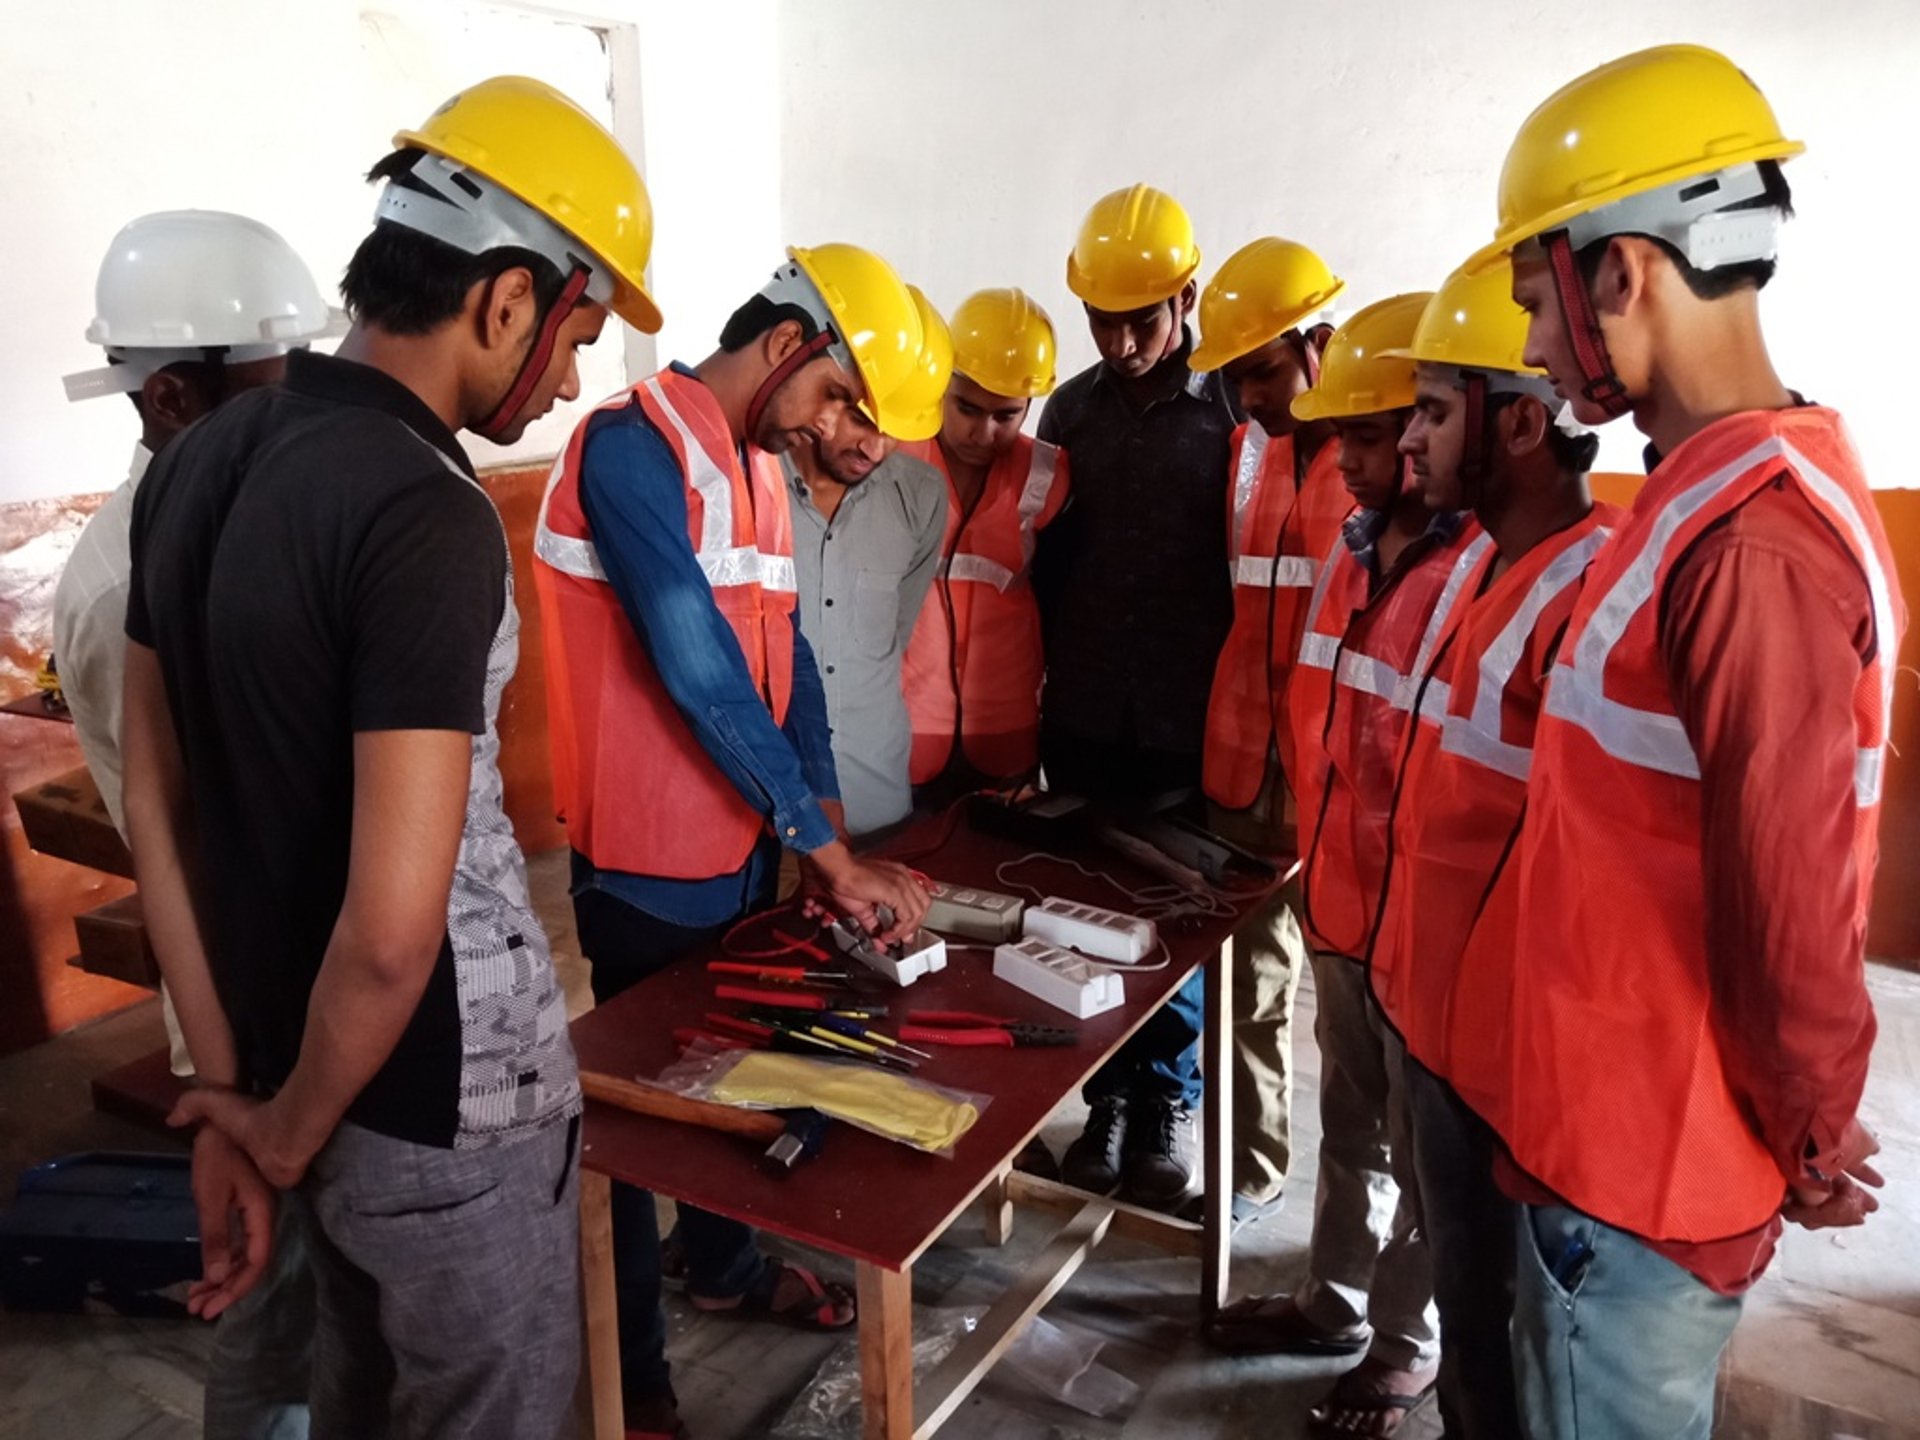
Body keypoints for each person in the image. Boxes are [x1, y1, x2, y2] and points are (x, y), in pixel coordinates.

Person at [121, 75, 652, 1438]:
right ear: (507, 301)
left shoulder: (196, 463)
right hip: (447, 1111)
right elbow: (393, 934)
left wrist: (245, 1102)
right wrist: (280, 1133)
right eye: (578, 333)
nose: (572, 377)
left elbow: (160, 812)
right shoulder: (427, 508)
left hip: (302, 1078)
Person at [1468, 45, 1904, 1439]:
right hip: (1598, 1129)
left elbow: (1785, 902)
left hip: (1647, 1169)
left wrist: (1817, 1131)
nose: (1535, 347)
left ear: (1622, 273)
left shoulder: (1752, 545)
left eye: (1540, 299)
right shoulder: (1694, 494)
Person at [533, 242, 938, 1439]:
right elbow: (696, 663)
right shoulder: (628, 447)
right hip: (647, 867)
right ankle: (636, 1375)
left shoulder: (754, 466)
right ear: (783, 346)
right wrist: (820, 842)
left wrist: (828, 830)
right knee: (641, 1118)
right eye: (829, 397)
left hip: (743, 849)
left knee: (735, 1070)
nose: (828, 429)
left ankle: (723, 1265)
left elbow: (790, 667)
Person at [56, 208, 336, 1440]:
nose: (298, 422)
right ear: (173, 394)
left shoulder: (240, 523)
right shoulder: (129, 585)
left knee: (333, 1293)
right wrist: (236, 1079)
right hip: (243, 1002)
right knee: (272, 1309)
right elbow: (180, 840)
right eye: (269, 395)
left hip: (314, 986)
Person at [1208, 293, 1483, 1438]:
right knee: (1354, 1126)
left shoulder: (1478, 574)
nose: (1365, 460)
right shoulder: (1357, 554)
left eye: (1381, 435)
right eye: (1354, 438)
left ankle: (1408, 1351)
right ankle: (1334, 1300)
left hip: (1426, 931)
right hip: (1344, 901)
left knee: (1428, 1161)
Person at [1366, 259, 1616, 1440]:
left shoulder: (1586, 598)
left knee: (1508, 1344)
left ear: (1518, 423)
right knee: (1472, 1327)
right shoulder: (1479, 565)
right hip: (1436, 1022)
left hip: (1507, 1063)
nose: (1409, 439)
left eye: (1431, 410)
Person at [1037, 184, 1238, 1208]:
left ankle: (1165, 1103)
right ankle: (1103, 1104)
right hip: (1081, 714)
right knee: (1083, 919)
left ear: (1188, 298)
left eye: (1141, 319)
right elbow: (1043, 564)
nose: (1119, 341)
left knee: (1172, 918)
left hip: (1186, 718)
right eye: (1100, 320)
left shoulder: (1236, 409)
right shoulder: (1067, 413)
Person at [1187, 235, 1346, 1227]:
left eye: (1265, 370)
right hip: (1244, 766)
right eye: (1238, 377)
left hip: (1339, 779)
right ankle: (1249, 1172)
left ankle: (1352, 1237)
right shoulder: (1247, 451)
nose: (1251, 395)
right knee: (1248, 986)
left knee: (1355, 1016)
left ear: (1320, 344)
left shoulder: (1380, 462)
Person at [787, 287, 950, 837]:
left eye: (894, 430)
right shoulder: (750, 488)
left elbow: (893, 637)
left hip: (877, 800)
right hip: (772, 807)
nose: (874, 448)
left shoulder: (922, 496)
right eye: (861, 418)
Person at [901, 287, 1069, 804]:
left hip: (1007, 727)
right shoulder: (890, 460)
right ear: (941, 384)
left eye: (1007, 415)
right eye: (967, 407)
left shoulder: (1049, 474)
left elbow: (1062, 596)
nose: (983, 432)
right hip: (903, 726)